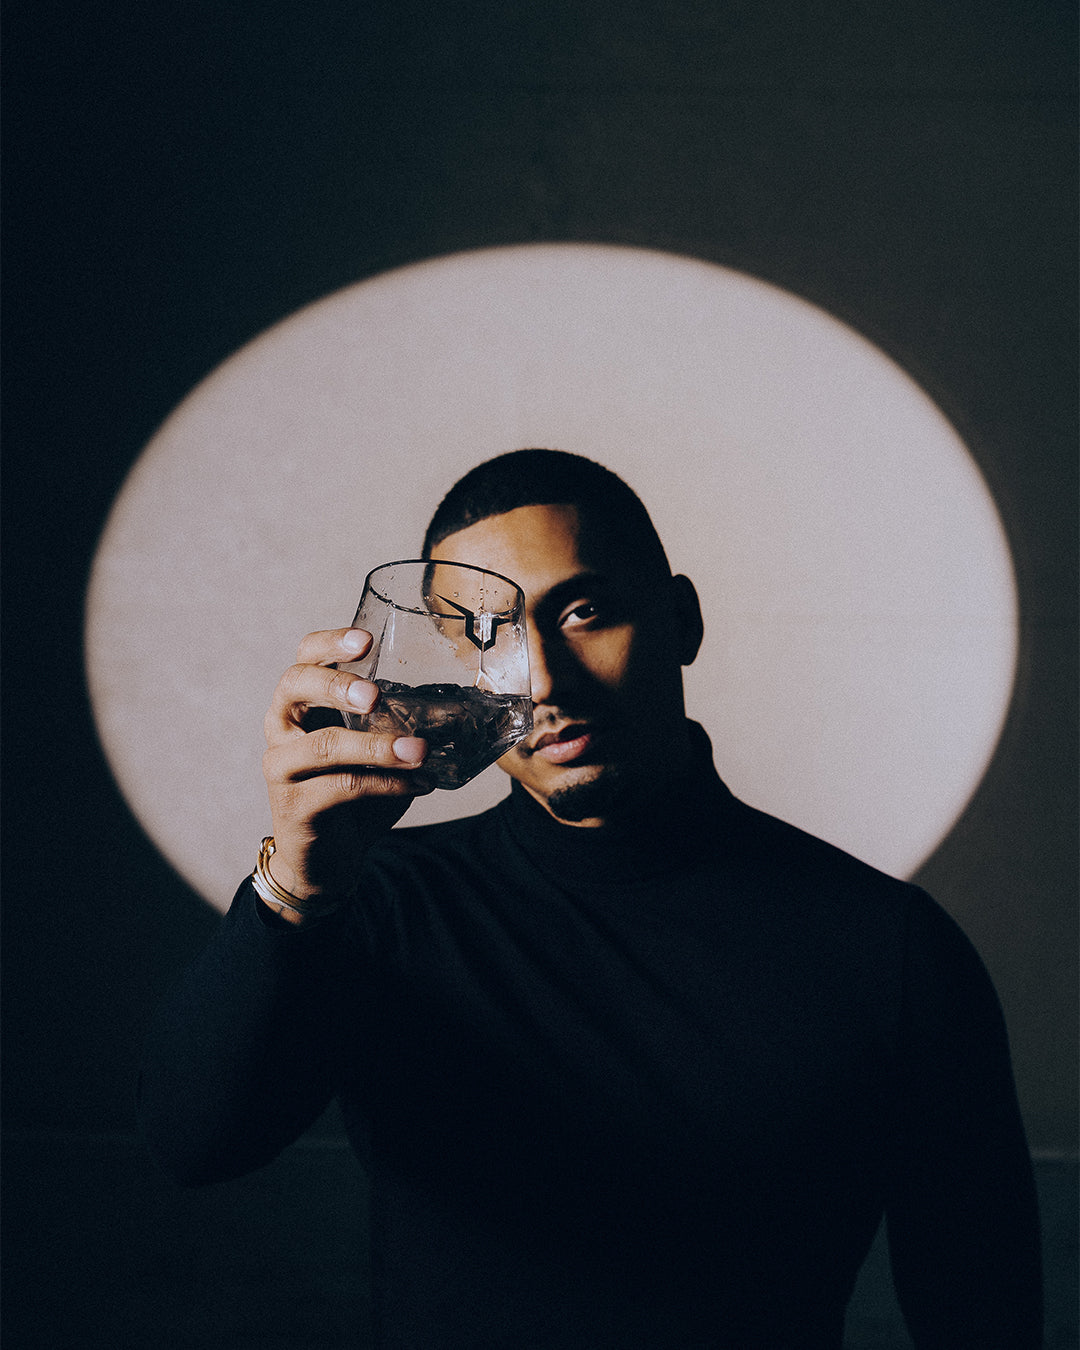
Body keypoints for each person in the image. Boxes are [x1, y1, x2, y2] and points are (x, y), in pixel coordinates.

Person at [139, 449, 1043, 1348]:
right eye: (484, 635)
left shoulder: (888, 950)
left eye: (585, 612)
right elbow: (193, 1143)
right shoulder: (383, 906)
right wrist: (295, 886)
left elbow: (983, 1309)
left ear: (682, 620)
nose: (542, 680)